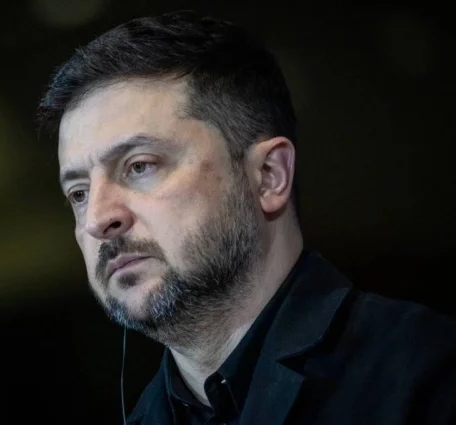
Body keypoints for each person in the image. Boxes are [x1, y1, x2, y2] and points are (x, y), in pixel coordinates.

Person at [37, 10, 456, 425]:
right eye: (79, 193)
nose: (97, 218)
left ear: (268, 176)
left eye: (140, 166)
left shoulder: (427, 372)